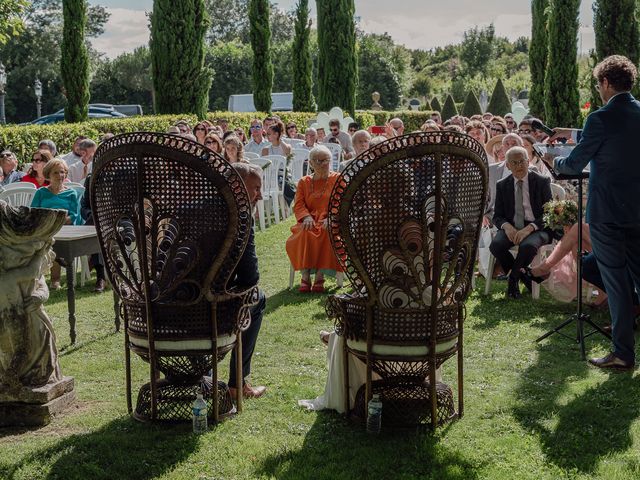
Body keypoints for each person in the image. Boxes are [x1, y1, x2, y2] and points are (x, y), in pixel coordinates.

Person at [552, 55, 640, 371]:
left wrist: (556, 163)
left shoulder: (600, 119)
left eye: (598, 84)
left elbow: (575, 163)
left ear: (605, 82)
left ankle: (622, 354)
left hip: (607, 214)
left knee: (617, 282)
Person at [489, 146, 552, 299]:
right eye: (514, 163)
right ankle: (524, 277)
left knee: (527, 246)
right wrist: (507, 227)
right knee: (496, 246)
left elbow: (549, 213)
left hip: (538, 227)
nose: (518, 166)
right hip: (512, 226)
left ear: (528, 161)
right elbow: (498, 216)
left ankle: (513, 279)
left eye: (521, 161)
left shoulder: (542, 181)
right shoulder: (502, 184)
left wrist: (529, 228)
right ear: (507, 165)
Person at [227, 162, 267, 399]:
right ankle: (237, 384)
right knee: (258, 298)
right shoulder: (240, 218)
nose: (260, 196)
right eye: (256, 189)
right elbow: (250, 277)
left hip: (167, 302)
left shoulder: (191, 207)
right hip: (212, 308)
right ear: (236, 185)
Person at [286, 146, 342, 293]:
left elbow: (341, 202)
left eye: (326, 160)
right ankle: (305, 276)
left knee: (325, 232)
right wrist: (306, 217)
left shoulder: (338, 179)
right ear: (310, 163)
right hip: (308, 221)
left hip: (328, 221)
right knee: (305, 232)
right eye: (318, 160)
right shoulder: (304, 182)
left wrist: (331, 217)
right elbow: (298, 204)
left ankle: (319, 276)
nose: (323, 164)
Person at [31, 158, 81, 289]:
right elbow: (33, 213)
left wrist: (61, 221)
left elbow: (74, 215)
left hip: (66, 228)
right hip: (45, 228)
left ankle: (55, 280)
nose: (60, 176)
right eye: (56, 173)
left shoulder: (71, 193)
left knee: (54, 241)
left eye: (62, 172)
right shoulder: (41, 192)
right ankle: (52, 278)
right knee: (48, 240)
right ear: (48, 174)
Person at [80, 173, 108, 293]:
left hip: (119, 219)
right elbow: (84, 207)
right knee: (95, 226)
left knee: (95, 226)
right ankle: (101, 277)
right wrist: (90, 214)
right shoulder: (91, 178)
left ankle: (74, 251)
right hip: (96, 222)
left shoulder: (123, 174)